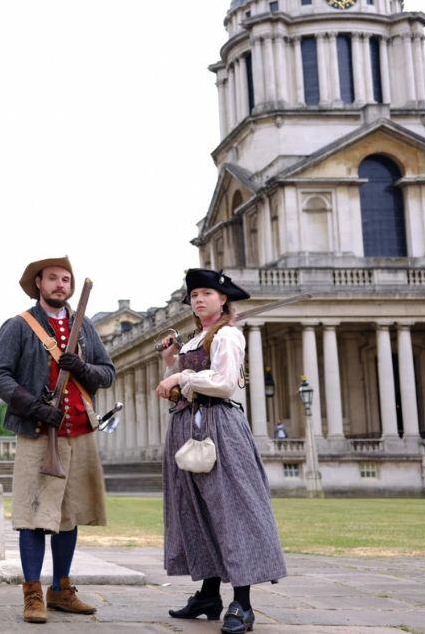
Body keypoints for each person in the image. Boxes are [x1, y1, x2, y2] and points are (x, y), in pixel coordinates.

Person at [154, 269, 287, 634]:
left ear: (223, 299)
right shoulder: (197, 338)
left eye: (206, 294)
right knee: (196, 511)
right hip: (187, 426)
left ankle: (242, 604)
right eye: (194, 295)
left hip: (219, 428)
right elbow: (189, 376)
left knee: (231, 511)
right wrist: (173, 363)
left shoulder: (227, 335)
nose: (198, 300)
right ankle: (209, 593)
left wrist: (179, 378)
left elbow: (225, 383)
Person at [0, 256, 115, 624]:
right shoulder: (18, 326)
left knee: (69, 515)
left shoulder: (85, 326)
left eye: (66, 279)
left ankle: (61, 590)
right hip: (38, 432)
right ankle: (32, 593)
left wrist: (82, 368)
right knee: (31, 517)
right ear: (38, 284)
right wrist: (33, 407)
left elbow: (107, 373)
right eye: (53, 279)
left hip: (79, 430)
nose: (61, 284)